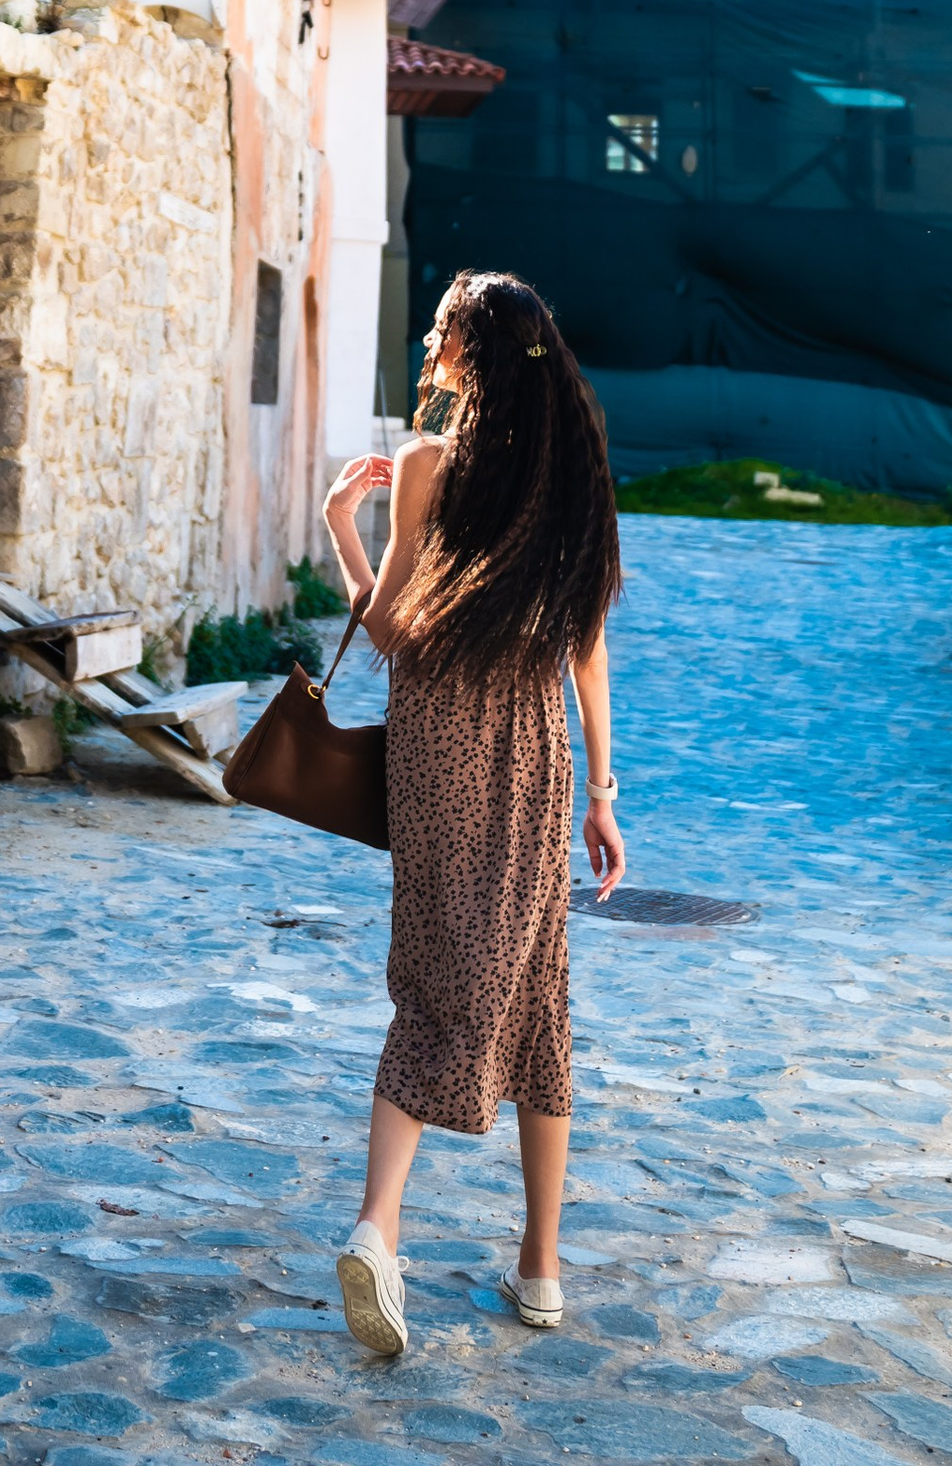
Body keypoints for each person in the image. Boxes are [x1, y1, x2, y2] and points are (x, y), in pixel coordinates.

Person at [319, 266, 625, 1359]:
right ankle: (539, 1270)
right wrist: (600, 789)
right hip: (533, 754)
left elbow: (393, 634)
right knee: (536, 987)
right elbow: (585, 651)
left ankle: (377, 1230)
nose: (428, 358)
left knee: (434, 977)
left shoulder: (422, 469)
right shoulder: (571, 491)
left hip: (436, 749)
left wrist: (341, 532)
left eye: (438, 341)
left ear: (462, 358)